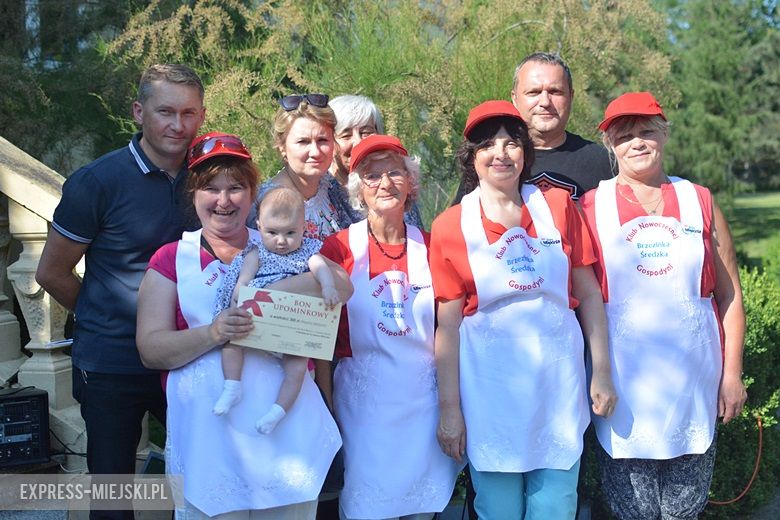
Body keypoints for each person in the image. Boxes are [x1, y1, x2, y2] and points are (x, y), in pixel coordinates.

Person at [136, 132, 348, 519]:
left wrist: (272, 293)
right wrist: (215, 332)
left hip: (287, 439)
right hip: (210, 441)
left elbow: (343, 286)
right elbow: (151, 349)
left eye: (236, 187)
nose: (223, 200)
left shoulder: (283, 241)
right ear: (193, 195)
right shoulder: (172, 258)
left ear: (253, 195)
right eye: (210, 188)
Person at [430, 101, 616, 519]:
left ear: (525, 153)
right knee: (498, 508)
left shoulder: (559, 207)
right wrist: (449, 409)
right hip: (489, 392)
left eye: (512, 143)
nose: (501, 153)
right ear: (471, 157)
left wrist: (601, 370)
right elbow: (448, 325)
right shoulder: (450, 225)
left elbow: (588, 295)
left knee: (555, 504)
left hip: (557, 388)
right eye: (488, 146)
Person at [35, 64, 206, 520]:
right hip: (113, 363)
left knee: (204, 480)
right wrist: (106, 316)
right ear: (138, 111)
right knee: (113, 497)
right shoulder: (98, 181)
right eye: (165, 111)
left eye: (189, 113)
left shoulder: (208, 179)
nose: (178, 125)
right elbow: (52, 272)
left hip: (189, 358)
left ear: (202, 116)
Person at [579, 91, 747, 520]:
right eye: (625, 136)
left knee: (683, 510)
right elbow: (581, 298)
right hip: (622, 386)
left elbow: (729, 295)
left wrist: (732, 376)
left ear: (664, 133)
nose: (637, 143)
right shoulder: (590, 207)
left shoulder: (700, 200)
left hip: (693, 384)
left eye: (647, 132)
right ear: (611, 146)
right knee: (631, 510)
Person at [318, 135, 461, 520]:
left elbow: (450, 330)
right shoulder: (337, 249)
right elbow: (321, 342)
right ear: (358, 190)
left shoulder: (432, 246)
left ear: (410, 182)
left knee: (421, 508)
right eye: (372, 175)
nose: (385, 183)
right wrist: (327, 407)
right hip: (362, 411)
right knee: (368, 506)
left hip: (423, 409)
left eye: (395, 172)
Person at [211, 183, 341, 434]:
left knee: (298, 368)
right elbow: (243, 280)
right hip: (257, 316)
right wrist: (240, 294)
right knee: (231, 344)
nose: (281, 241)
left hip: (290, 324)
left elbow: (322, 269)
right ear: (259, 227)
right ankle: (232, 386)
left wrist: (327, 288)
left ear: (304, 228)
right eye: (272, 232)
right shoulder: (256, 252)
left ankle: (277, 412)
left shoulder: (307, 252)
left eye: (290, 233)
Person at [454, 52, 613, 204]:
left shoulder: (602, 162)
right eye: (534, 92)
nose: (545, 102)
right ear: (514, 98)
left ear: (571, 97)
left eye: (555, 92)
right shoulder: (492, 162)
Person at [248, 93, 356, 240]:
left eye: (322, 140)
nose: (315, 152)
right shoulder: (266, 204)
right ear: (282, 147)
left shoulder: (330, 186)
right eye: (303, 142)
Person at [329, 94, 424, 228]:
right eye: (346, 135)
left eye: (366, 132)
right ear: (329, 143)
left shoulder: (396, 184)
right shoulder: (323, 194)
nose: (358, 142)